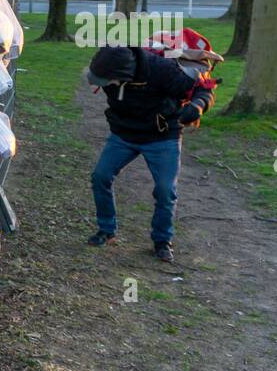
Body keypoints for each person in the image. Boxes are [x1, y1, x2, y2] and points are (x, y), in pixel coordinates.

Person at [85, 43, 216, 262]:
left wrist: (198, 105)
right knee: (101, 177)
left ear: (123, 75)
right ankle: (106, 229)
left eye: (107, 81)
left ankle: (162, 240)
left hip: (162, 137)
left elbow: (203, 87)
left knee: (165, 190)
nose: (104, 86)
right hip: (124, 134)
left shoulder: (162, 70)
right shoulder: (107, 69)